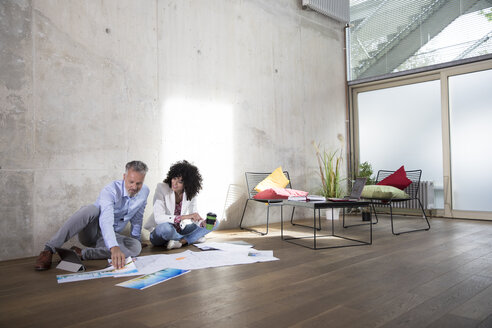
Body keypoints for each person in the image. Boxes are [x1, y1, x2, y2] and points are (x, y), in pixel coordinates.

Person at [34, 161, 150, 271]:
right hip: (93, 232)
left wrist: (136, 239)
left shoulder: (144, 192)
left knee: (136, 247)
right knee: (91, 210)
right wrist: (114, 247)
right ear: (124, 177)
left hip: (111, 236)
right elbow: (106, 221)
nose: (134, 187)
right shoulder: (110, 191)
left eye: (138, 183)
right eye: (131, 182)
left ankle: (82, 253)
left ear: (143, 181)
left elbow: (137, 218)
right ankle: (48, 250)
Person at [144, 160, 218, 249]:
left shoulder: (190, 192)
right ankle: (188, 239)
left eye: (180, 181)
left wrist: (202, 223)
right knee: (165, 228)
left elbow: (194, 215)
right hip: (160, 234)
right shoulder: (161, 188)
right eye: (174, 178)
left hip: (180, 230)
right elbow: (158, 218)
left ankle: (181, 241)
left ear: (187, 183)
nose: (174, 183)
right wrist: (184, 217)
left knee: (215, 223)